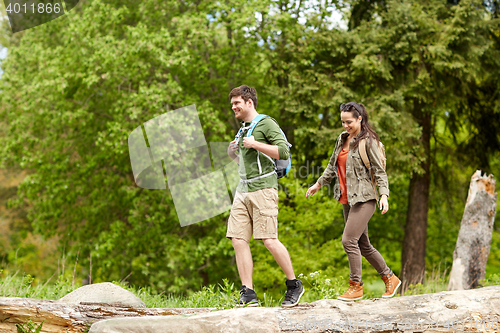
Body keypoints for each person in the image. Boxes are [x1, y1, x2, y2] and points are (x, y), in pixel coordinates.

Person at [305, 102, 401, 301]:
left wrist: (384, 195)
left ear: (359, 118)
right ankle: (390, 278)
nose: (345, 125)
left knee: (348, 240)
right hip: (347, 199)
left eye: (349, 121)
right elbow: (332, 166)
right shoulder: (342, 139)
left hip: (365, 198)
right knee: (363, 245)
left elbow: (379, 171)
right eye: (342, 122)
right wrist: (318, 184)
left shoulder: (368, 141)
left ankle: (356, 285)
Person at [226, 85, 304, 307]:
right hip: (243, 189)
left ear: (249, 102)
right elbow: (244, 162)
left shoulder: (266, 123)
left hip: (264, 189)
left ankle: (293, 285)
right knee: (238, 239)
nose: (233, 107)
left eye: (236, 103)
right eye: (232, 104)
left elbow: (284, 152)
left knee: (268, 239)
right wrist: (233, 153)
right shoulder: (243, 129)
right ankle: (248, 293)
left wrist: (255, 144)